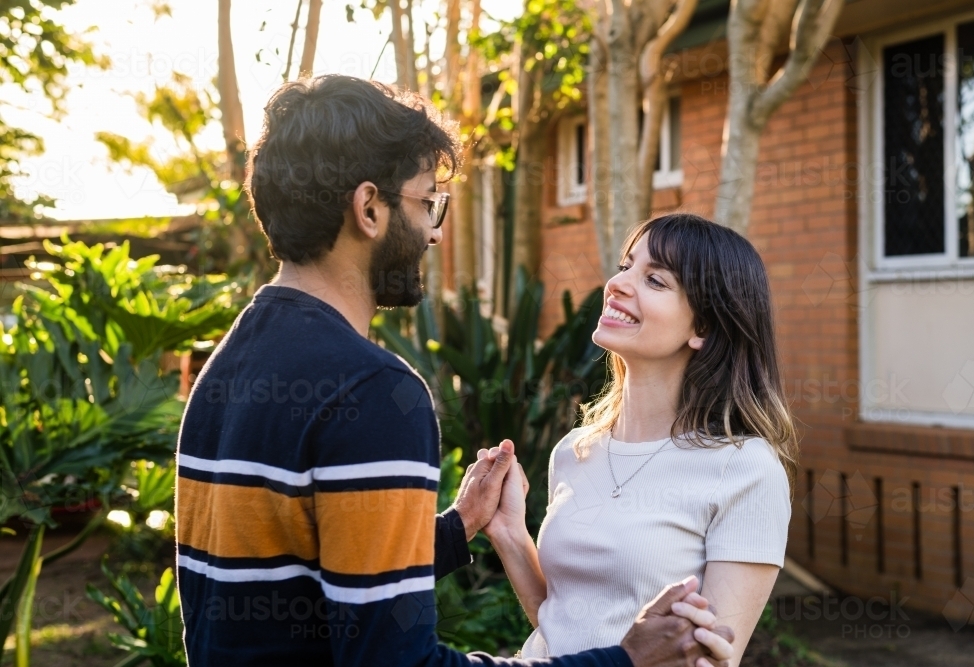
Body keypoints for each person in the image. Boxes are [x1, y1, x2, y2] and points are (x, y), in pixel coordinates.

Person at [174, 75, 735, 667]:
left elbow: (297, 583)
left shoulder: (227, 365)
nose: (436, 232)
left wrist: (458, 526)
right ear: (369, 208)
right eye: (427, 204)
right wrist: (622, 660)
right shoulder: (370, 391)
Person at [480, 214, 796, 666]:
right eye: (626, 265)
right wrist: (510, 535)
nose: (619, 283)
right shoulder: (575, 450)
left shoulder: (745, 468)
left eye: (655, 280)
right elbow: (562, 624)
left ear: (702, 329)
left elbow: (710, 659)